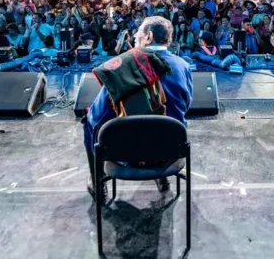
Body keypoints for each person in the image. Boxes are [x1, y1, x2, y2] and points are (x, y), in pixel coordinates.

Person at [82, 16, 193, 202]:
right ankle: (162, 177)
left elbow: (97, 118)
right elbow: (185, 104)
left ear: (149, 36)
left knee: (88, 122)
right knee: (164, 121)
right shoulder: (183, 66)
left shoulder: (121, 67)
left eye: (139, 32)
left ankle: (98, 183)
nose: (135, 36)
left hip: (127, 153)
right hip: (171, 150)